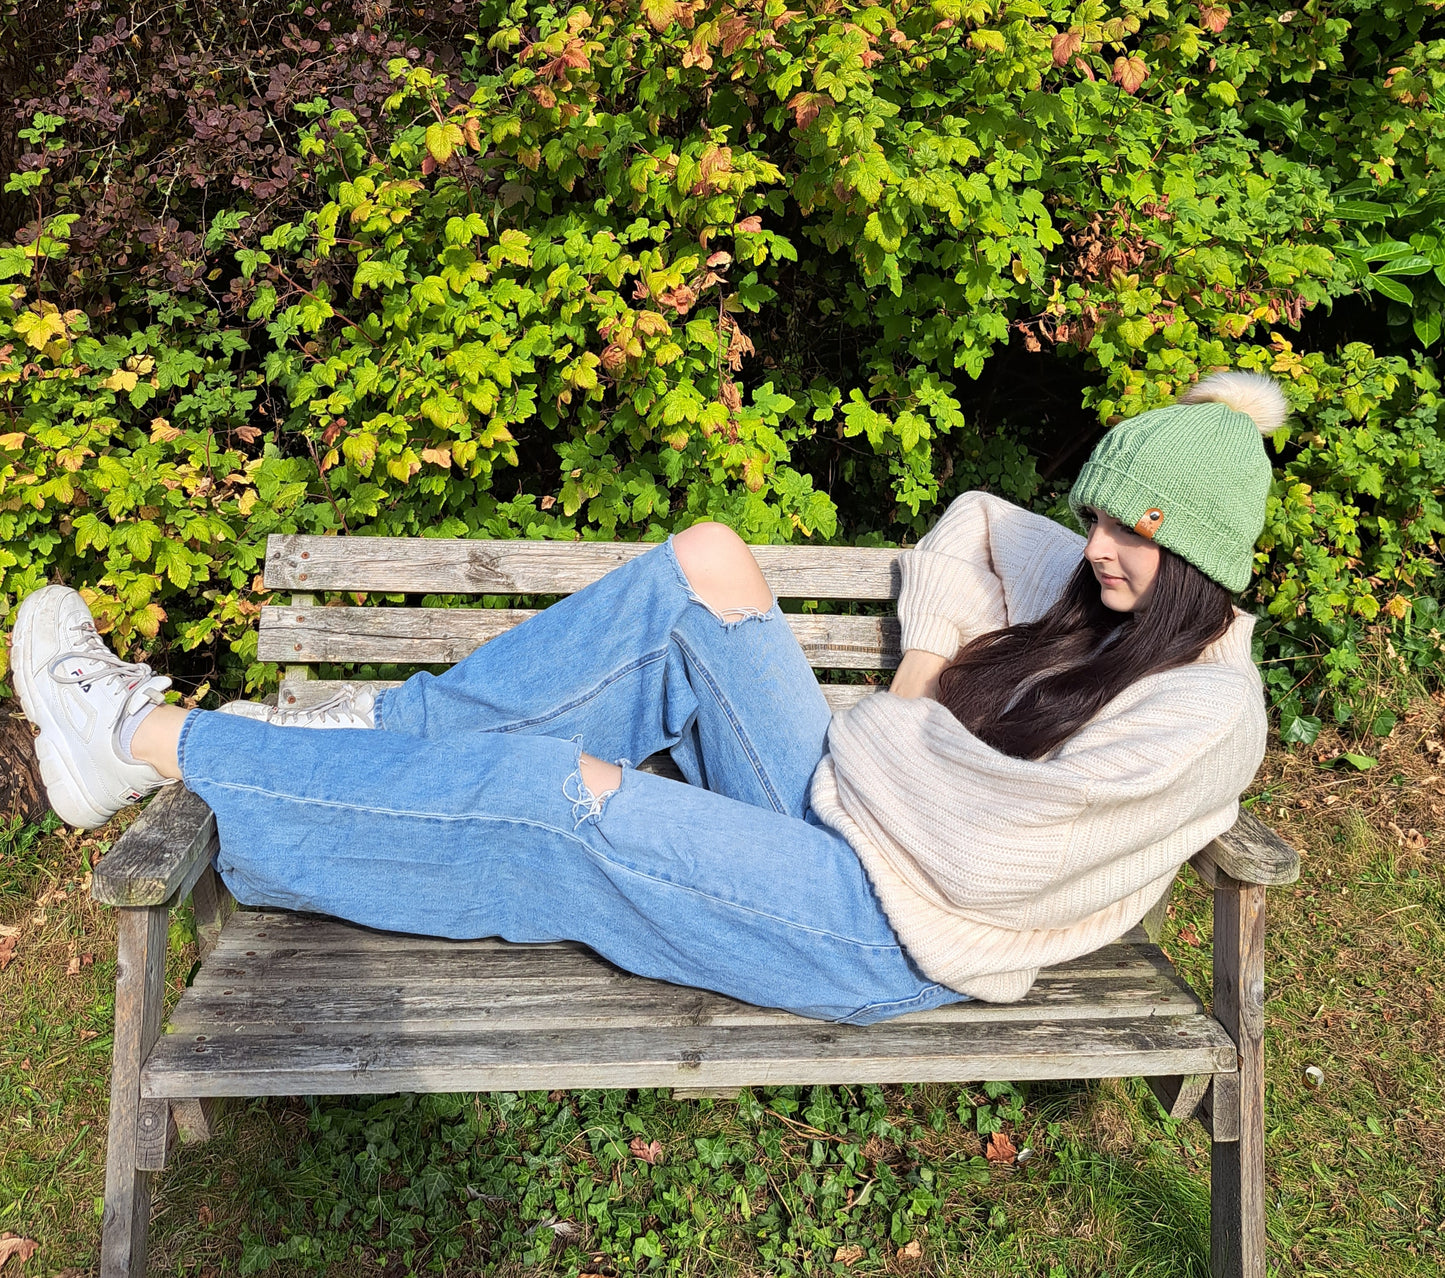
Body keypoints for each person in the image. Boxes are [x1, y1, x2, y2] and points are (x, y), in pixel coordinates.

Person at [9, 370, 1283, 1021]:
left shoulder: (1205, 713)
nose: (1101, 550)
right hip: (855, 810)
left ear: (1207, 562)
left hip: (892, 928)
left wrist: (896, 722)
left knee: (561, 798)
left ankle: (142, 737)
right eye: (1101, 518)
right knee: (703, 564)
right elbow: (975, 525)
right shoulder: (1106, 599)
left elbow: (987, 851)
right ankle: (369, 736)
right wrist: (920, 681)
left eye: (1137, 538)